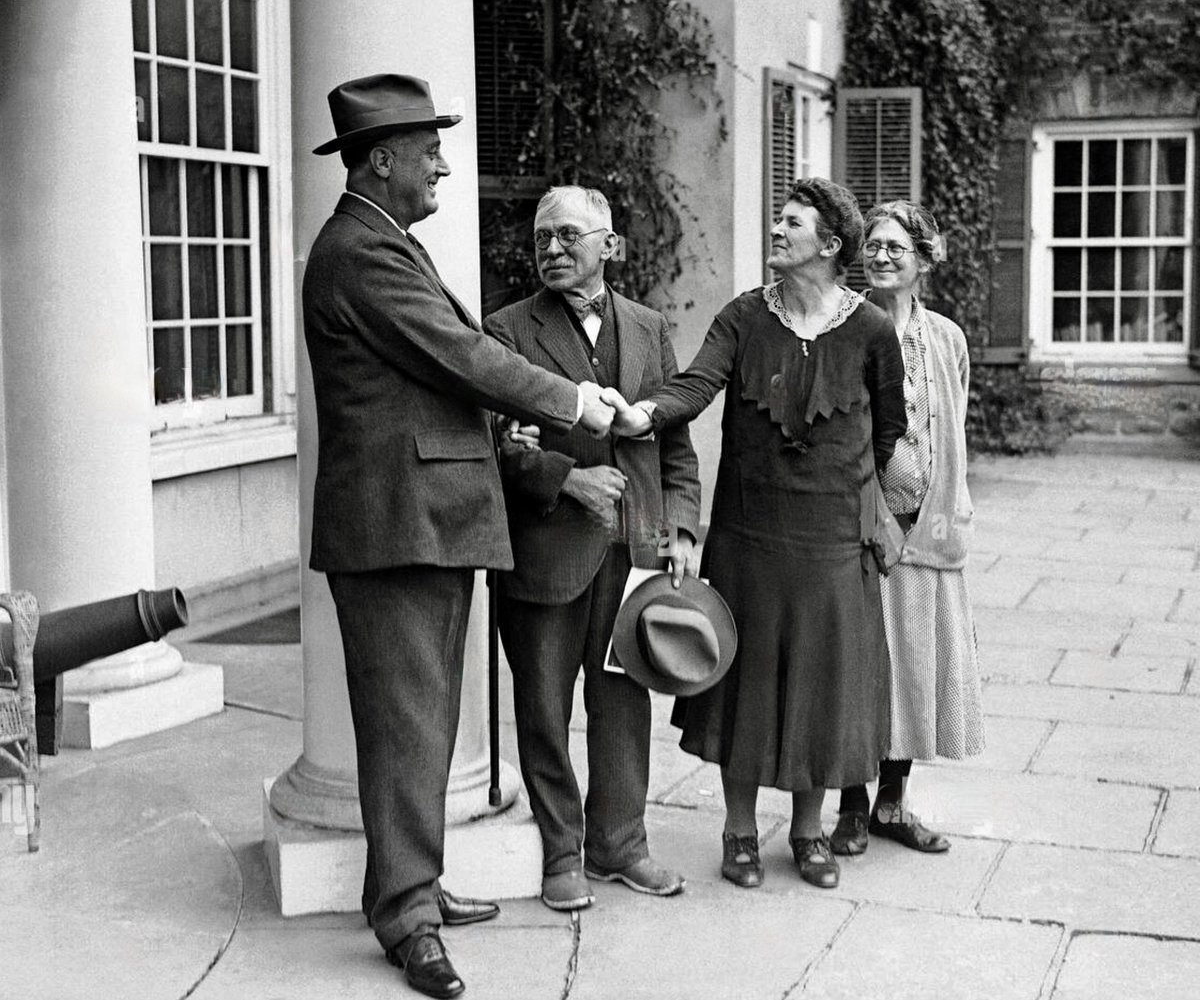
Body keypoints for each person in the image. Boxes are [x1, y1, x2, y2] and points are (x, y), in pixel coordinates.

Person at [303, 74, 616, 1000]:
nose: (443, 161)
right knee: (406, 725)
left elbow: (429, 379)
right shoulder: (362, 251)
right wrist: (568, 398)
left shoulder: (382, 241)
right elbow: (459, 355)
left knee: (424, 722)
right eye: (429, 147)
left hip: (421, 522)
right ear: (384, 159)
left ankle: (416, 885)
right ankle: (406, 915)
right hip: (398, 529)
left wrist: (494, 433)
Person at [609, 177, 906, 891]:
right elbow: (696, 386)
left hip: (834, 543)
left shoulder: (871, 330)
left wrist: (885, 519)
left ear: (830, 246)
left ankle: (807, 834)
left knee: (820, 689)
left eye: (792, 222)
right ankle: (738, 832)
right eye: (777, 218)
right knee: (745, 686)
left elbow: (890, 432)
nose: (777, 230)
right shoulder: (744, 317)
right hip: (749, 537)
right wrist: (643, 413)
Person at [483, 186, 702, 912]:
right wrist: (567, 478)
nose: (551, 248)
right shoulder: (507, 331)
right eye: (542, 236)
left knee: (623, 703)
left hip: (632, 554)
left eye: (569, 235)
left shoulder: (647, 326)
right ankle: (560, 852)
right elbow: (491, 449)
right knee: (544, 709)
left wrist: (681, 528)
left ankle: (619, 844)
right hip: (544, 552)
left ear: (609, 244)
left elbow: (675, 440)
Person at [829, 201, 984, 858]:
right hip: (861, 525)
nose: (882, 256)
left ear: (923, 259)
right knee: (857, 667)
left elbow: (954, 422)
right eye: (875, 246)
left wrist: (945, 506)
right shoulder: (842, 328)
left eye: (897, 247)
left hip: (929, 529)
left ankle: (893, 802)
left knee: (917, 666)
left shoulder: (947, 338)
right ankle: (850, 808)